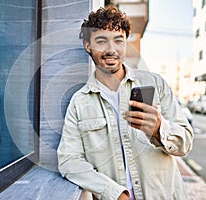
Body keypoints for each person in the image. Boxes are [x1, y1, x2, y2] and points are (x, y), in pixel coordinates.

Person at [57, 5, 193, 200]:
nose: (111, 50)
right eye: (101, 41)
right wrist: (113, 192)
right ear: (88, 46)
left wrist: (159, 128)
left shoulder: (155, 84)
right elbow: (69, 161)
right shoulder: (79, 102)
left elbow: (185, 143)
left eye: (118, 40)